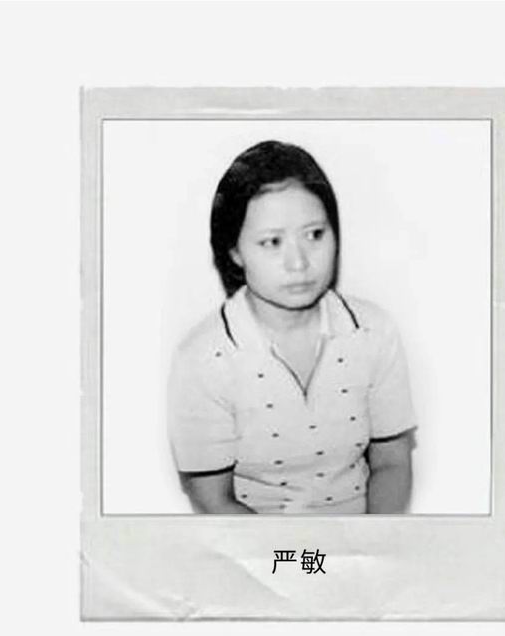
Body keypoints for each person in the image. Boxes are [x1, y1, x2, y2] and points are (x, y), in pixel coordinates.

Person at [168, 140, 417, 514]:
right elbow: (213, 499)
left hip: (361, 536)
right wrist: (296, 551)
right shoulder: (203, 358)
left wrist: (365, 543)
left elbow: (393, 462)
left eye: (314, 234)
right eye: (272, 242)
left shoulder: (373, 332)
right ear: (234, 251)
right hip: (256, 543)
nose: (298, 262)